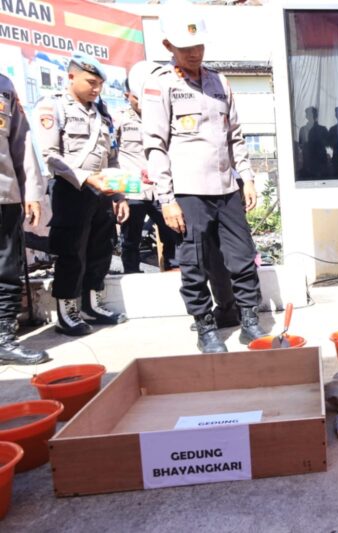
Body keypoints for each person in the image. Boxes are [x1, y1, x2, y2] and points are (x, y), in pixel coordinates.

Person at [141, 0, 266, 353]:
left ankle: (249, 320)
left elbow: (235, 136)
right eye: (186, 47)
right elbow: (155, 147)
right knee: (193, 262)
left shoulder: (219, 82)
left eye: (199, 45)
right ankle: (205, 326)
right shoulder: (160, 85)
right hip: (188, 192)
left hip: (227, 188)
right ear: (169, 47)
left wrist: (248, 177)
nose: (194, 53)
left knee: (243, 256)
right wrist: (166, 200)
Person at [33, 52, 129, 336]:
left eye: (100, 83)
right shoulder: (53, 107)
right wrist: (88, 178)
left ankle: (92, 305)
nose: (96, 89)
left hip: (102, 193)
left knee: (101, 249)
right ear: (71, 77)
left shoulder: (102, 113)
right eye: (91, 82)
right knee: (71, 252)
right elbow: (50, 156)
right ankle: (68, 312)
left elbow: (112, 158)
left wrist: (119, 196)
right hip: (71, 189)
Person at [0, 74, 50, 365]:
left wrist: (31, 191)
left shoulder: (4, 87)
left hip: (5, 195)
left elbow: (21, 140)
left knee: (6, 272)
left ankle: (3, 338)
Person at [117, 61, 178, 274]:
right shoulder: (119, 119)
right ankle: (132, 273)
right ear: (128, 96)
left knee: (172, 230)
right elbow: (111, 155)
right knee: (131, 237)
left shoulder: (162, 115)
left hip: (160, 187)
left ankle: (174, 269)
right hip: (133, 188)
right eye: (136, 97)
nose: (141, 102)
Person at [298, 106, 328, 178]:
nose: (308, 116)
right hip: (308, 164)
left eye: (311, 114)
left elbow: (327, 144)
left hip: (320, 165)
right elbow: (301, 145)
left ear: (315, 115)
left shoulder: (322, 129)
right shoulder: (302, 129)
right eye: (308, 114)